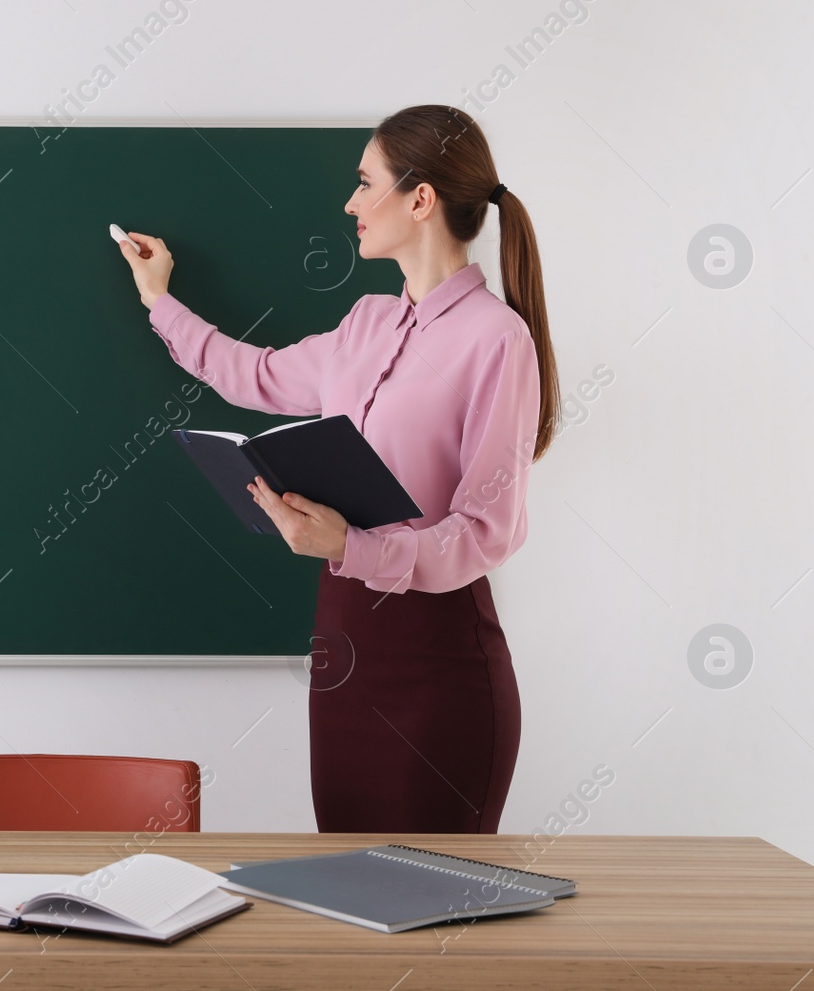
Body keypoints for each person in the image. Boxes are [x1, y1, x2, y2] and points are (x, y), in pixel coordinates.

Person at [118, 105, 560, 833]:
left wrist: (352, 546)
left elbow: (488, 531)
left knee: (432, 906)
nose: (350, 202)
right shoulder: (364, 323)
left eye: (365, 183)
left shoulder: (497, 340)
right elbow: (253, 374)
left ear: (421, 200)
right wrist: (160, 301)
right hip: (344, 653)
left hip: (440, 663)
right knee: (348, 890)